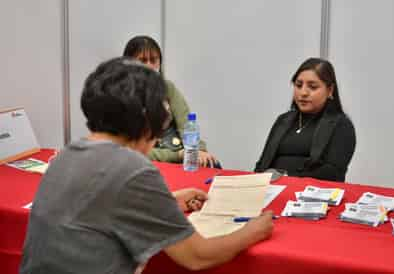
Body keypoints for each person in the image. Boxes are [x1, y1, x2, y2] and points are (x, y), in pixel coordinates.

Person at [20, 57, 273, 274]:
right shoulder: (132, 169)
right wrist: (252, 231)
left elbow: (97, 208)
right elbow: (197, 256)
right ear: (146, 120)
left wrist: (168, 202)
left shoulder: (66, 155)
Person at [123, 35, 219, 168]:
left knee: (211, 164)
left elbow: (186, 123)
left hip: (178, 149)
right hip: (145, 157)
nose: (149, 65)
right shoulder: (121, 94)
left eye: (153, 60)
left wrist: (198, 151)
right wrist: (177, 155)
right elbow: (130, 149)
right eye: (143, 60)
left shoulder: (167, 87)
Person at [255, 57, 356, 182]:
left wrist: (286, 178)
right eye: (298, 85)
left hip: (310, 195)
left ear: (330, 90)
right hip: (270, 189)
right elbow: (261, 165)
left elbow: (332, 173)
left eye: (312, 87)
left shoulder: (341, 125)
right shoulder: (283, 120)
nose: (303, 93)